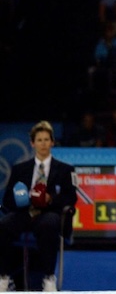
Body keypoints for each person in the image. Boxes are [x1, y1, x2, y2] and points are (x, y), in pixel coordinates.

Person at [0, 121, 77, 292]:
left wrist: (51, 199)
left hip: (49, 213)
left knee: (48, 225)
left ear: (52, 142)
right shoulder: (20, 169)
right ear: (32, 143)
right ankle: (4, 277)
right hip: (24, 213)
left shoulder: (65, 170)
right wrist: (21, 199)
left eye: (46, 140)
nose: (43, 143)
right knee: (4, 225)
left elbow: (71, 197)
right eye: (39, 140)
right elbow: (7, 201)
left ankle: (48, 278)